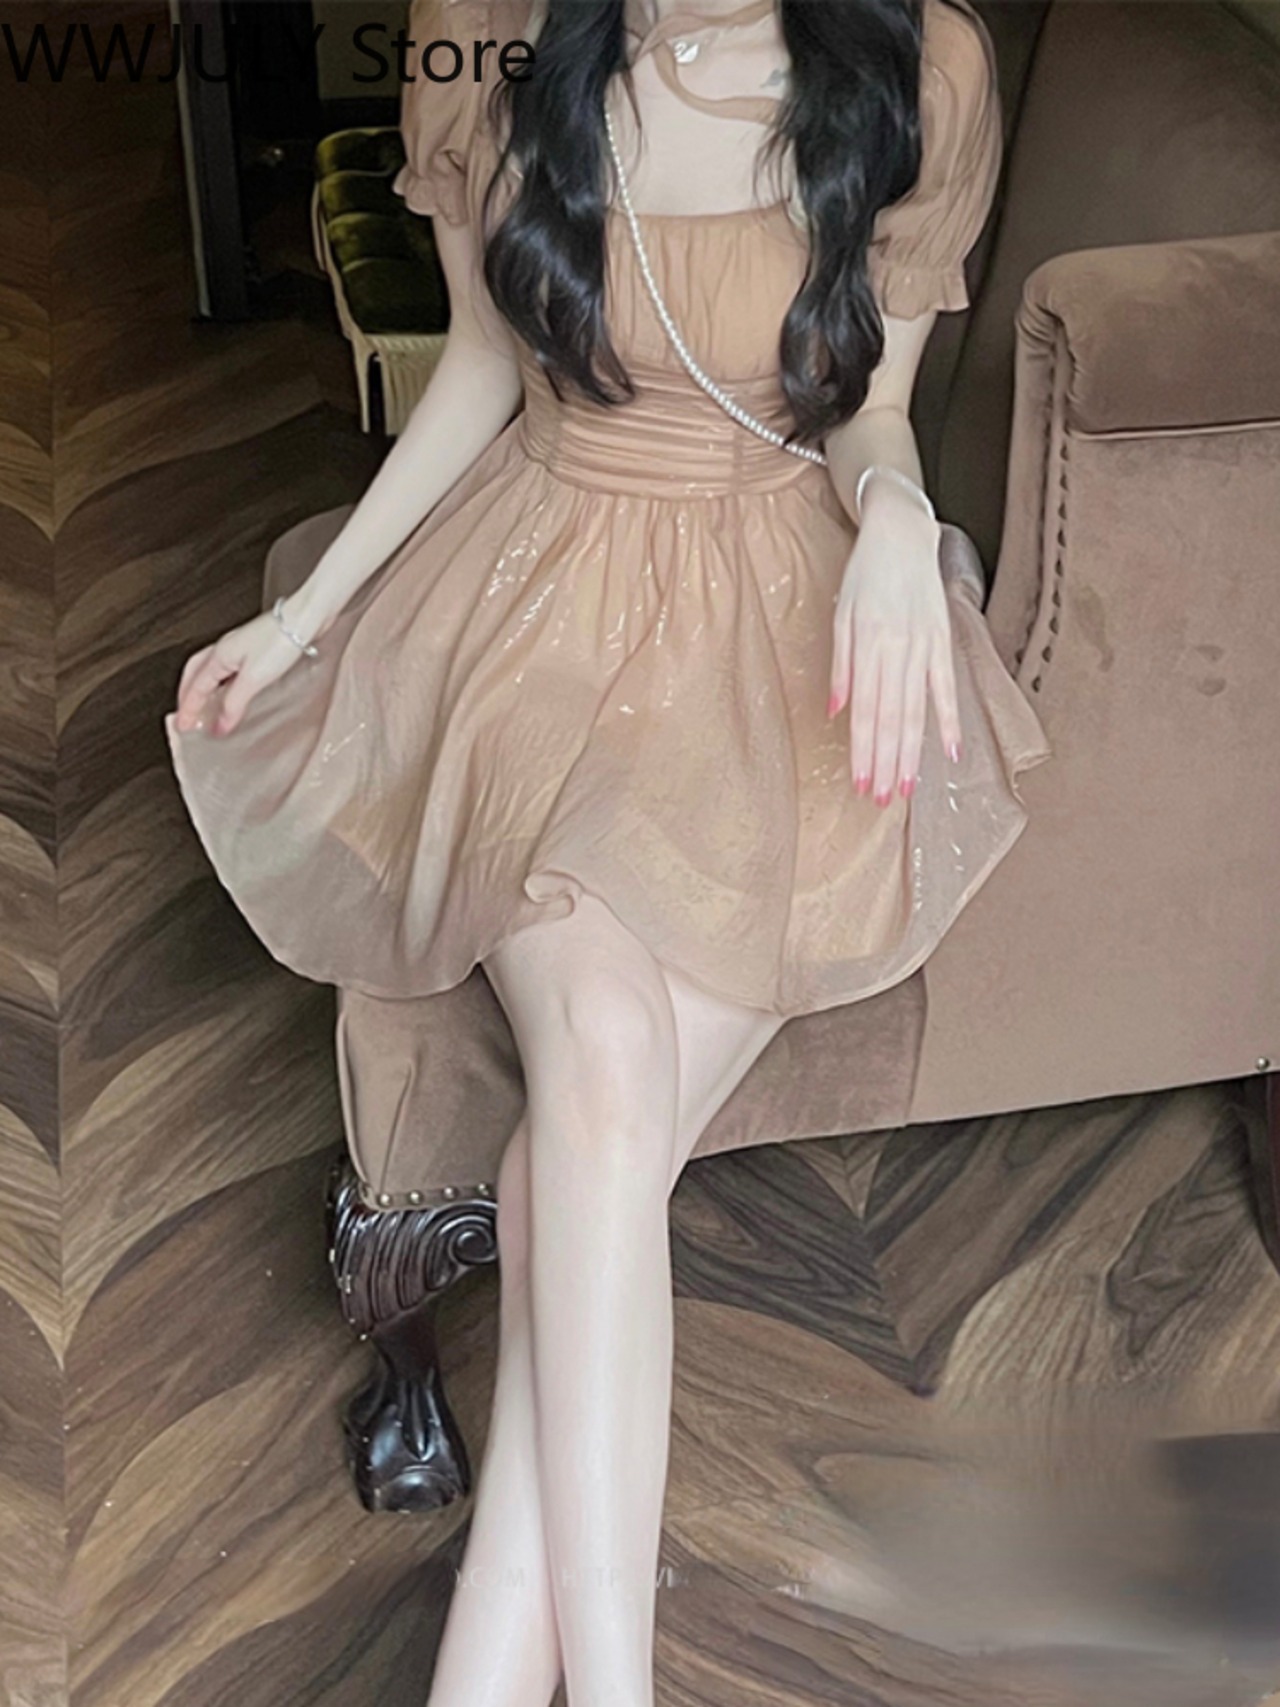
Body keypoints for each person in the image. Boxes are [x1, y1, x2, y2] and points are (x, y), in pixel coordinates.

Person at [164, 0, 1051, 1701]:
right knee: (607, 1053)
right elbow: (482, 372)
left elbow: (869, 411)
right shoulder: (485, 33)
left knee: (578, 1149)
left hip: (784, 623)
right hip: (540, 609)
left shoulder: (921, 61)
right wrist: (306, 618)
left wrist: (895, 518)